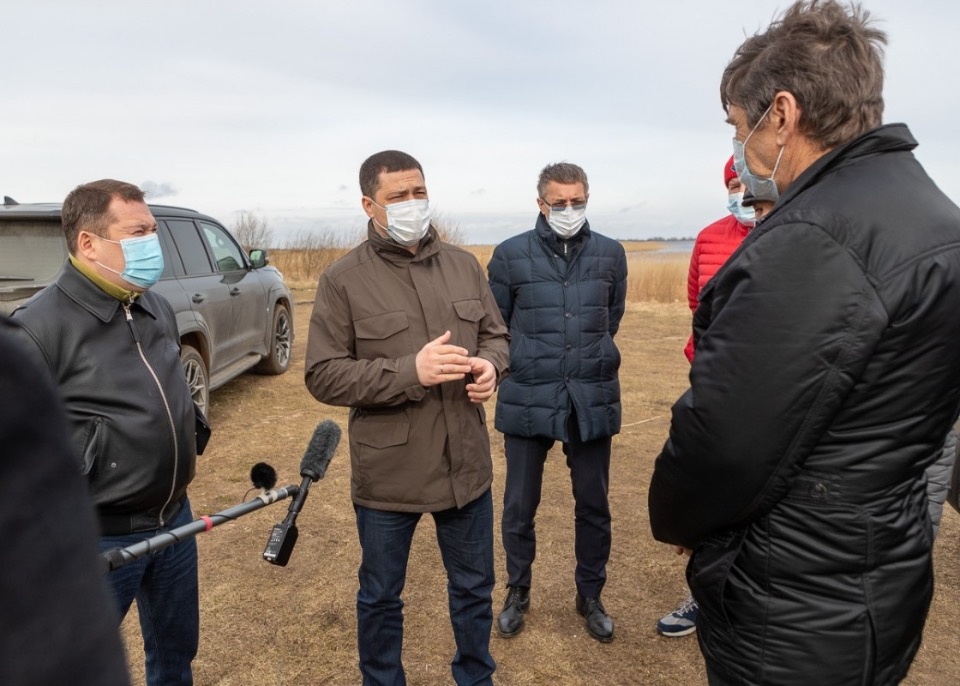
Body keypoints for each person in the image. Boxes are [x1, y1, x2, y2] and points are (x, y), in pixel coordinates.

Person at [648, 2, 960, 684]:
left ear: (782, 115)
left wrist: (678, 518)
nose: (742, 147)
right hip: (881, 576)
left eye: (740, 126)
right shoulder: (935, 217)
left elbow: (727, 443)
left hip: (792, 603)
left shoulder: (812, 241)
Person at [304, 150, 509, 686]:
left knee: (472, 589)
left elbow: (496, 335)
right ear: (370, 205)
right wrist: (409, 371)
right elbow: (324, 375)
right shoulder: (343, 280)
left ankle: (475, 676)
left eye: (419, 191)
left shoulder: (464, 265)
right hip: (389, 475)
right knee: (379, 596)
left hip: (465, 465)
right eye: (399, 196)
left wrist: (491, 365)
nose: (413, 203)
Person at [12, 180, 200, 686]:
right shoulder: (37, 327)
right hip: (100, 539)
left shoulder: (153, 304)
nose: (151, 244)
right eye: (137, 233)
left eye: (153, 231)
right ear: (88, 243)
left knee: (177, 655)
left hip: (175, 520)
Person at [487, 162, 627, 643]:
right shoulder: (508, 256)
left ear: (587, 198)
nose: (569, 210)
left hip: (590, 397)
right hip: (528, 394)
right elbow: (497, 325)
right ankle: (517, 591)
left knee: (594, 505)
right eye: (560, 202)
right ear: (541, 203)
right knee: (519, 506)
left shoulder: (611, 254)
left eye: (578, 201)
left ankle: (590, 594)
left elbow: (610, 318)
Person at [0, 317, 131, 686]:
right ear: (86, 252)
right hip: (110, 528)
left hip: (172, 511)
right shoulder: (39, 326)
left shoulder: (156, 309)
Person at [657, 156, 757, 639]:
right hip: (711, 382)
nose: (742, 191)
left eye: (747, 181)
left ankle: (754, 602)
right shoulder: (710, 237)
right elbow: (699, 303)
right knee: (707, 491)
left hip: (769, 390)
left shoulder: (790, 231)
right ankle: (701, 596)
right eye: (734, 183)